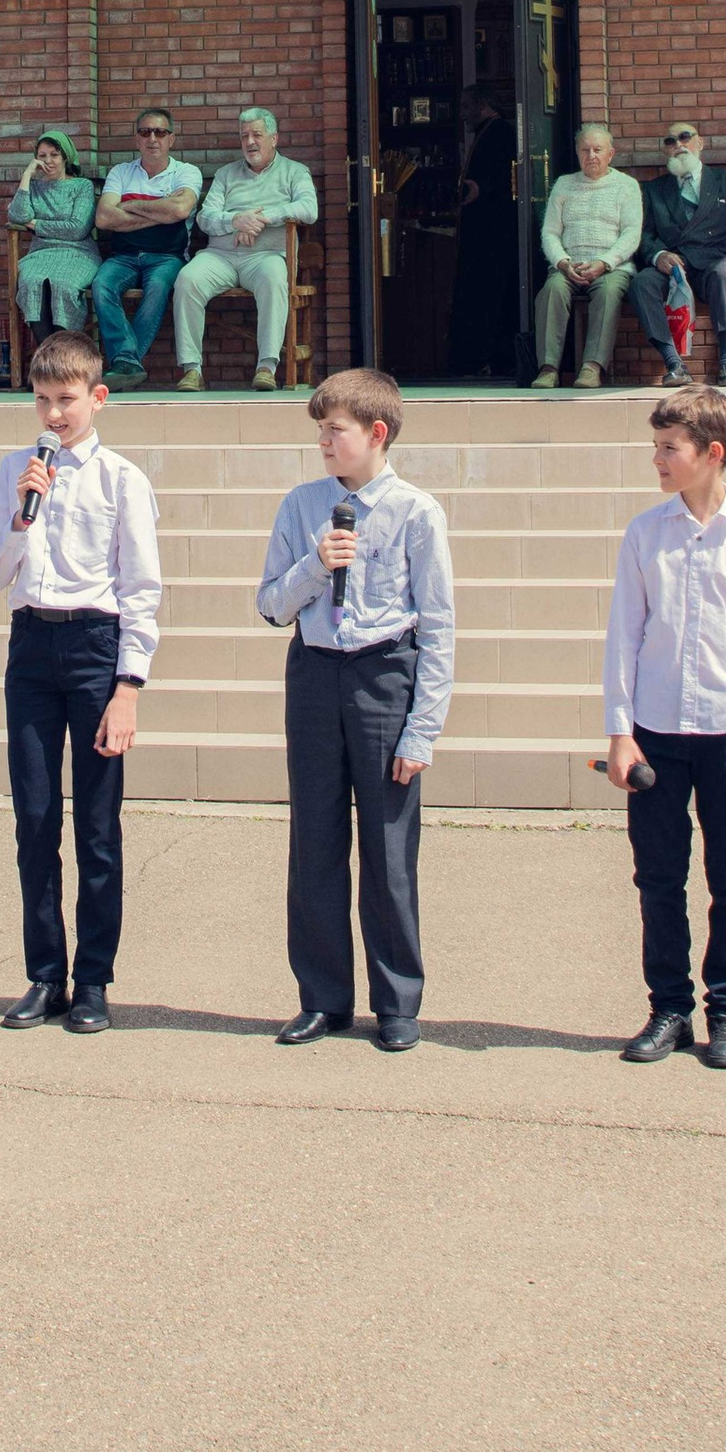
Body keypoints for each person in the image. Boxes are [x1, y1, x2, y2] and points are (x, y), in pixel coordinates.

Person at [258, 365, 455, 1053]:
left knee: (388, 847)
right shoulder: (301, 506)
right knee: (314, 841)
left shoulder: (416, 512)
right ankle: (323, 997)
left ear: (376, 433)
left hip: (384, 674)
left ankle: (397, 1001)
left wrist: (421, 729)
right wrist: (317, 563)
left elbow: (438, 624)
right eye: (319, 429)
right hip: (315, 672)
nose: (322, 441)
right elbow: (270, 604)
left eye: (334, 430)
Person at [0, 327, 161, 1031]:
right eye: (43, 399)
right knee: (34, 817)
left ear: (97, 397)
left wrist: (128, 687)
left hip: (94, 647)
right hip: (31, 646)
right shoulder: (15, 470)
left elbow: (140, 587)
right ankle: (44, 974)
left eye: (67, 399)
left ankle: (94, 980)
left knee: (97, 825)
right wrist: (23, 515)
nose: (54, 413)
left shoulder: (122, 479)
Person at [604, 383, 726, 1073]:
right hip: (655, 731)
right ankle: (670, 1009)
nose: (657, 459)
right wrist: (620, 732)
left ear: (712, 453)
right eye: (656, 446)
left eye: (669, 448)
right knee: (658, 876)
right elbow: (624, 635)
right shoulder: (645, 533)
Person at [174, 106, 317, 390]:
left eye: (256, 135)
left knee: (275, 277)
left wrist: (263, 218)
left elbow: (309, 209)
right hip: (221, 256)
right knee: (187, 279)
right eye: (244, 136)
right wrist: (236, 220)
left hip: (266, 257)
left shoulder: (295, 172)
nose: (249, 142)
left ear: (274, 138)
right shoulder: (226, 174)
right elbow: (205, 218)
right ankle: (192, 369)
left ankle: (266, 366)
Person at [633, 123, 726, 390]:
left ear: (700, 143)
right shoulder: (654, 189)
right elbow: (643, 234)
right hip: (674, 264)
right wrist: (658, 255)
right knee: (642, 282)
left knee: (724, 273)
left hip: (715, 260)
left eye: (685, 137)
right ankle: (673, 363)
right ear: (665, 151)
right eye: (670, 141)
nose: (678, 145)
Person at [92, 104, 203, 385]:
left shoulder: (186, 172)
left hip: (168, 257)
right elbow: (104, 218)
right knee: (101, 284)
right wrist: (161, 212)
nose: (152, 138)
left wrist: (129, 205)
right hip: (123, 256)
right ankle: (129, 362)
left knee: (157, 288)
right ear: (137, 139)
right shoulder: (121, 172)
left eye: (160, 132)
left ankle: (124, 363)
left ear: (171, 139)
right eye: (145, 132)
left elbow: (180, 210)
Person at [532, 123, 644, 389]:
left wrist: (605, 262)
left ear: (610, 154)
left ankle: (592, 367)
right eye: (585, 150)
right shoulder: (564, 184)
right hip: (569, 266)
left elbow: (632, 233)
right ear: (577, 153)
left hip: (612, 267)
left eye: (597, 150)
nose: (591, 155)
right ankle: (548, 369)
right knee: (551, 291)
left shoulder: (626, 186)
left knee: (608, 293)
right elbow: (550, 233)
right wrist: (562, 262)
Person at [446, 91, 518, 380]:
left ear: (482, 104)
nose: (462, 114)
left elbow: (507, 175)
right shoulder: (486, 131)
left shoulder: (500, 132)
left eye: (466, 106)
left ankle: (491, 359)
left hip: (494, 233)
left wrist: (483, 188)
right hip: (480, 231)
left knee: (489, 295)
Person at [8, 127, 100, 350]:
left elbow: (77, 229)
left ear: (65, 157)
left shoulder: (82, 186)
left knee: (62, 284)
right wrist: (27, 176)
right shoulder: (34, 187)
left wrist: (36, 224)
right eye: (42, 156)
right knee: (31, 283)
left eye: (54, 155)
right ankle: (51, 356)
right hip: (41, 252)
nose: (48, 161)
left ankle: (60, 355)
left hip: (78, 253)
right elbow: (17, 216)